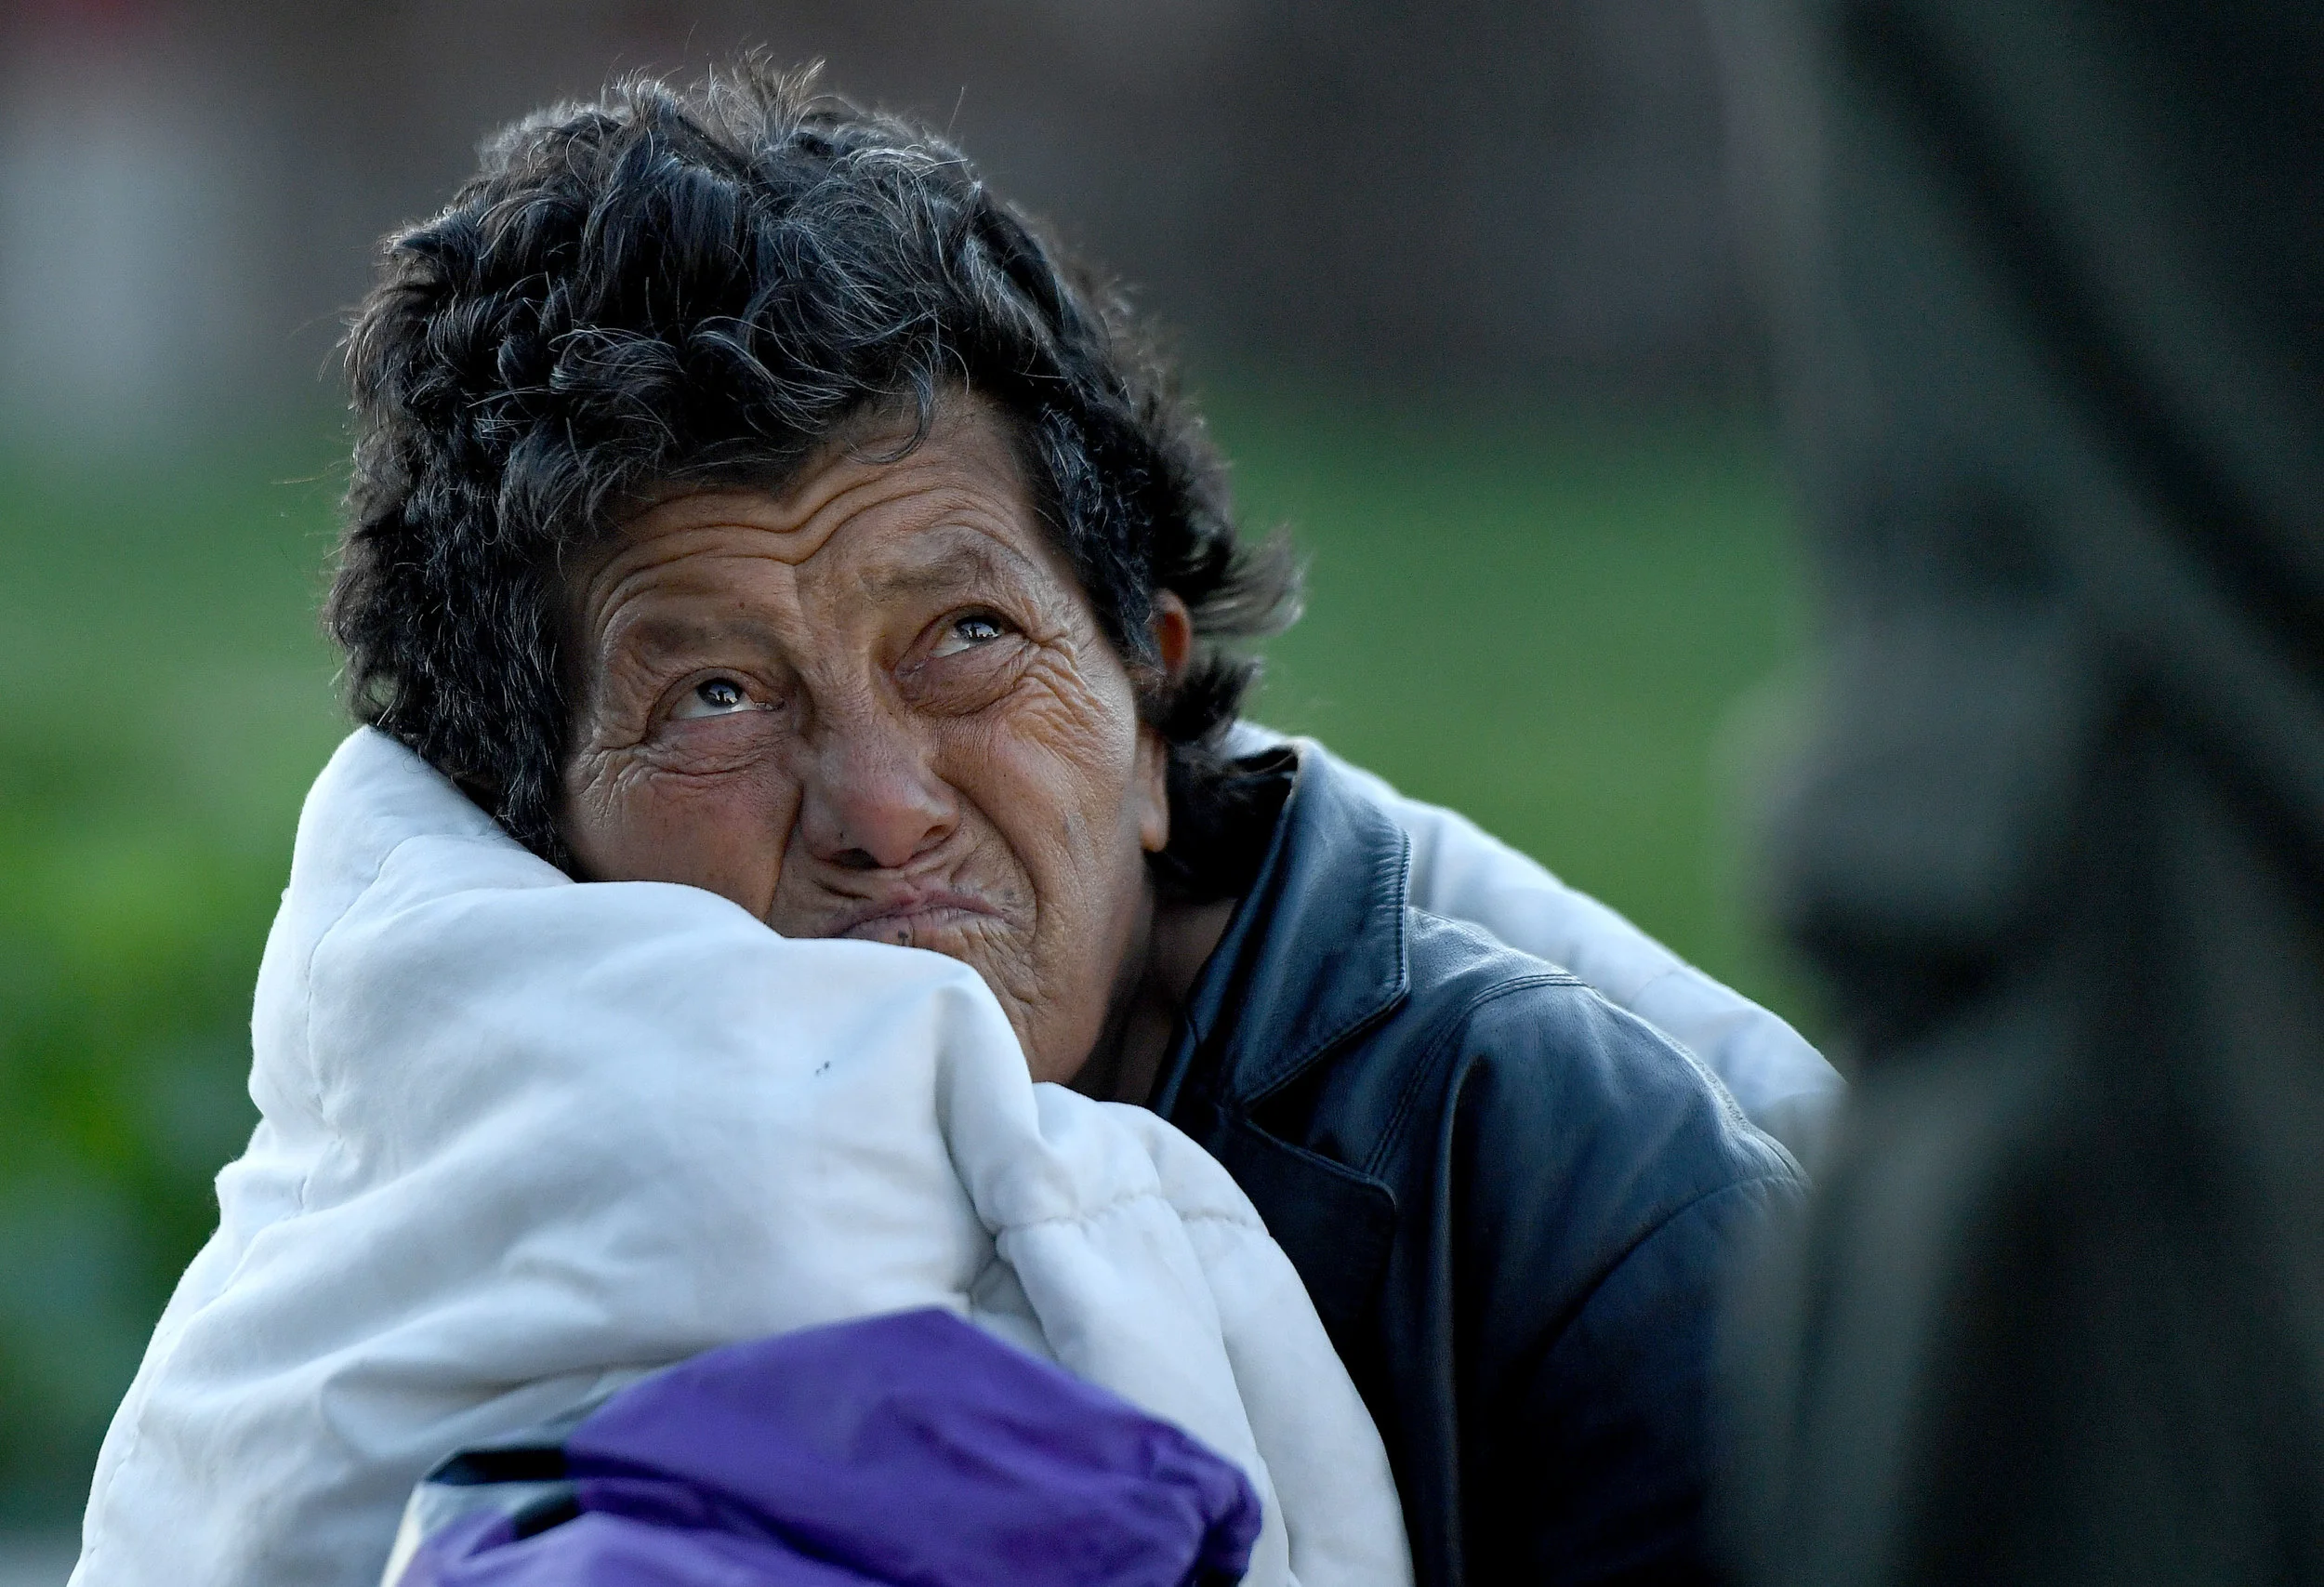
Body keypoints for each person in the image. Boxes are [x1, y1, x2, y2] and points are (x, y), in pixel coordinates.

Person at [79, 65, 1824, 1587]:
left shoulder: (1547, 1189)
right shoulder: (450, 1209)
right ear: (531, 833)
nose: (883, 805)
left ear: (1149, 699)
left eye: (968, 637)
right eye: (716, 697)